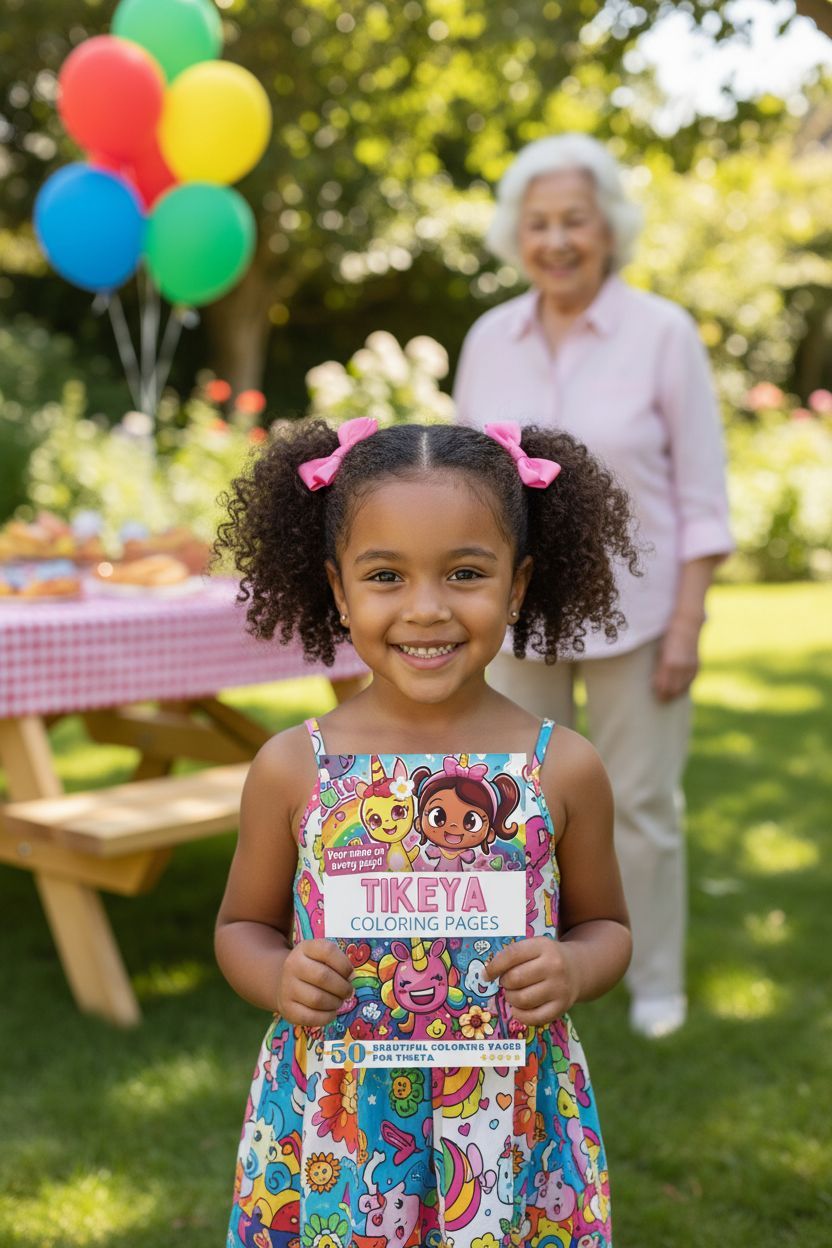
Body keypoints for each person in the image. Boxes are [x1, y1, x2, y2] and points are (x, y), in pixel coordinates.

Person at [214, 417, 636, 1248]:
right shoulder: (292, 766)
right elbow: (240, 926)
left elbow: (607, 925)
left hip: (509, 1123)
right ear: (339, 590)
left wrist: (575, 966)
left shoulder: (563, 767)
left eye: (466, 573)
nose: (427, 608)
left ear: (517, 585)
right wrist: (277, 977)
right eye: (385, 576)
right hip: (338, 1128)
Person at [453, 133, 734, 1039]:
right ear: (516, 234)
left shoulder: (663, 334)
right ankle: (512, 974)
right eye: (538, 223)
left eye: (574, 219)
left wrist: (687, 625)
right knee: (510, 803)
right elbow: (462, 488)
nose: (557, 240)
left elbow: (702, 498)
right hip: (519, 616)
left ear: (609, 226)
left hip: (642, 617)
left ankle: (653, 980)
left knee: (640, 805)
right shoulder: (490, 338)